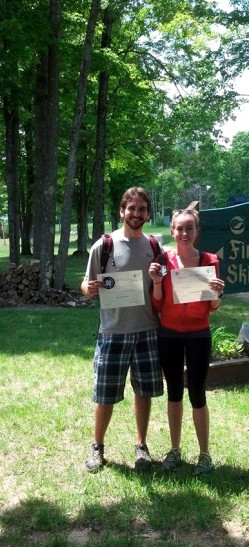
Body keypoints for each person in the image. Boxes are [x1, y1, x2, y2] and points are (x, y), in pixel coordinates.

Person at [81, 187, 164, 472]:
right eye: (132, 208)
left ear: (148, 214)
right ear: (121, 211)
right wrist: (89, 289)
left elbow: (162, 284)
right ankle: (97, 447)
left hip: (148, 330)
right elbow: (86, 284)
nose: (137, 214)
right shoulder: (103, 246)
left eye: (142, 209)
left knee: (144, 393)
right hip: (112, 331)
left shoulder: (154, 247)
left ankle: (141, 446)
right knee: (105, 394)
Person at [149, 207, 225, 475]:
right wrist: (157, 282)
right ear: (172, 231)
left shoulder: (208, 260)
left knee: (197, 393)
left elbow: (213, 306)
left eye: (189, 228)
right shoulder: (163, 261)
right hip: (168, 333)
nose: (184, 233)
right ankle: (175, 449)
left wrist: (217, 294)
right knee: (174, 393)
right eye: (179, 228)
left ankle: (204, 455)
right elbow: (157, 304)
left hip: (198, 335)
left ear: (196, 231)